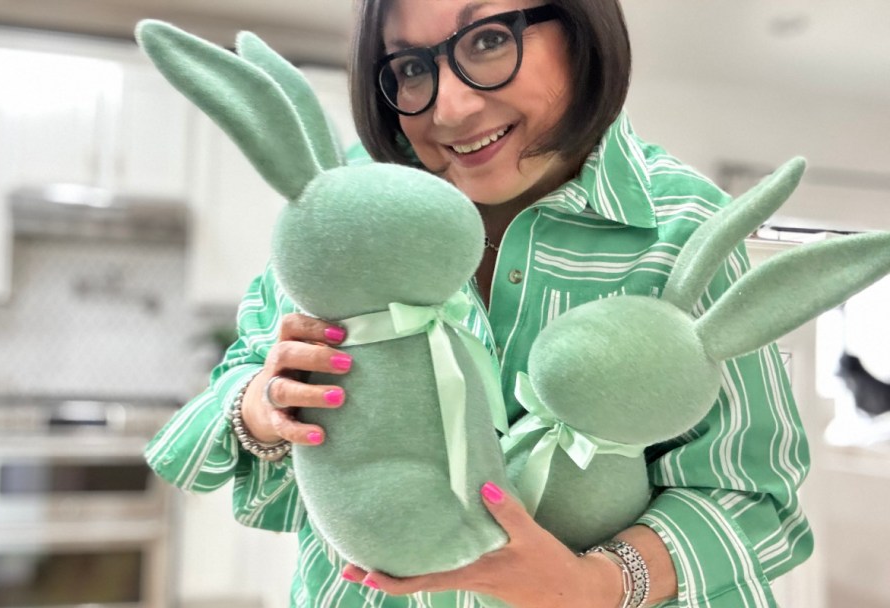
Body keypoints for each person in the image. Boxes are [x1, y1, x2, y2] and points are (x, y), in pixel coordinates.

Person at [146, 0, 813, 606]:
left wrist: (597, 585)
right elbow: (231, 398)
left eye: (489, 39)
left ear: (581, 30)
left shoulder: (684, 225)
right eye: (409, 67)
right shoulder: (344, 202)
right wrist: (261, 407)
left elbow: (756, 495)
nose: (451, 109)